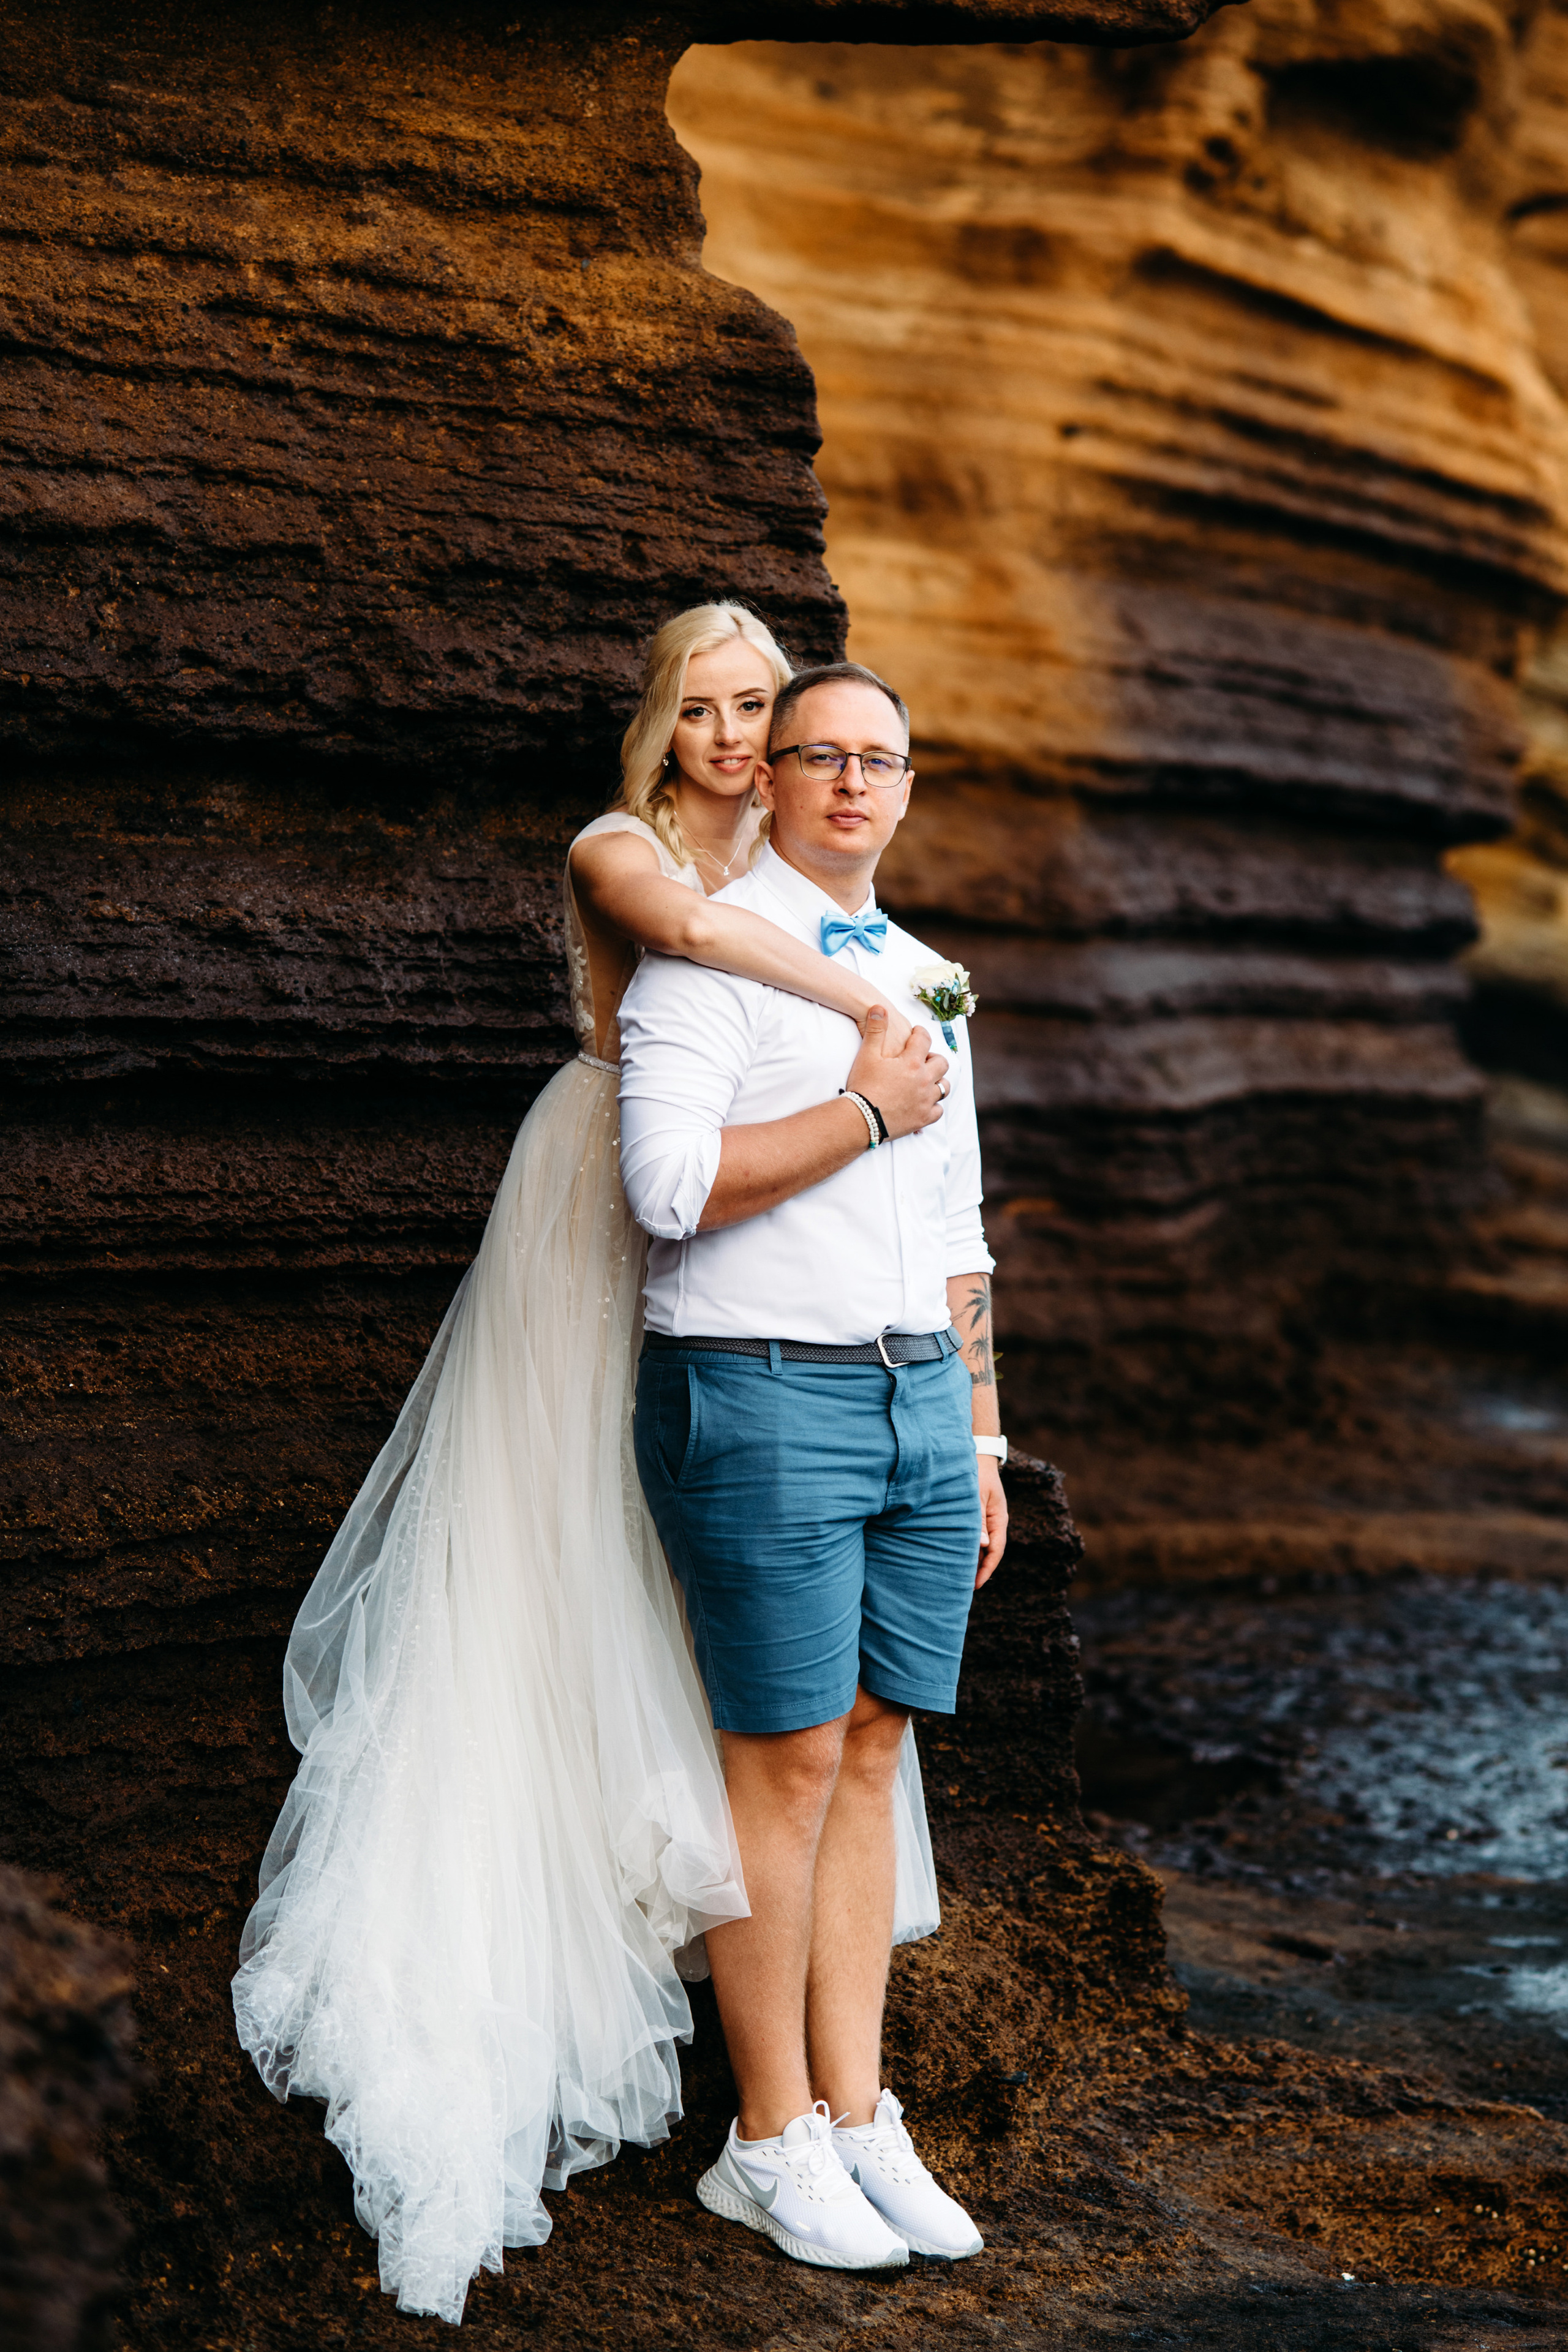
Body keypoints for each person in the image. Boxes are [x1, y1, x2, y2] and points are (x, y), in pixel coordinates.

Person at [230, 605, 942, 2326]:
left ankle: (836, 2092)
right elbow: (697, 940)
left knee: (760, 1623)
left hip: (813, 1285)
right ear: (663, 727)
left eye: (755, 707)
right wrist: (871, 998)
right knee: (577, 1525)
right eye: (701, 709)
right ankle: (722, 2050)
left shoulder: (807, 853)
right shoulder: (629, 853)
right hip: (606, 1205)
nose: (727, 734)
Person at [619, 658, 1009, 2274]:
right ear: (761, 778)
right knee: (778, 1760)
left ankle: (858, 2115)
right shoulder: (699, 961)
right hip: (761, 1393)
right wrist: (859, 1105)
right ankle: (764, 2138)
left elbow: (960, 1231)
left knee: (872, 1742)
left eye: (881, 759)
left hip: (923, 1400)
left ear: (911, 789)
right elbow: (666, 1189)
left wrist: (983, 1433)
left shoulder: (933, 976)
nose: (852, 782)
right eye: (817, 754)